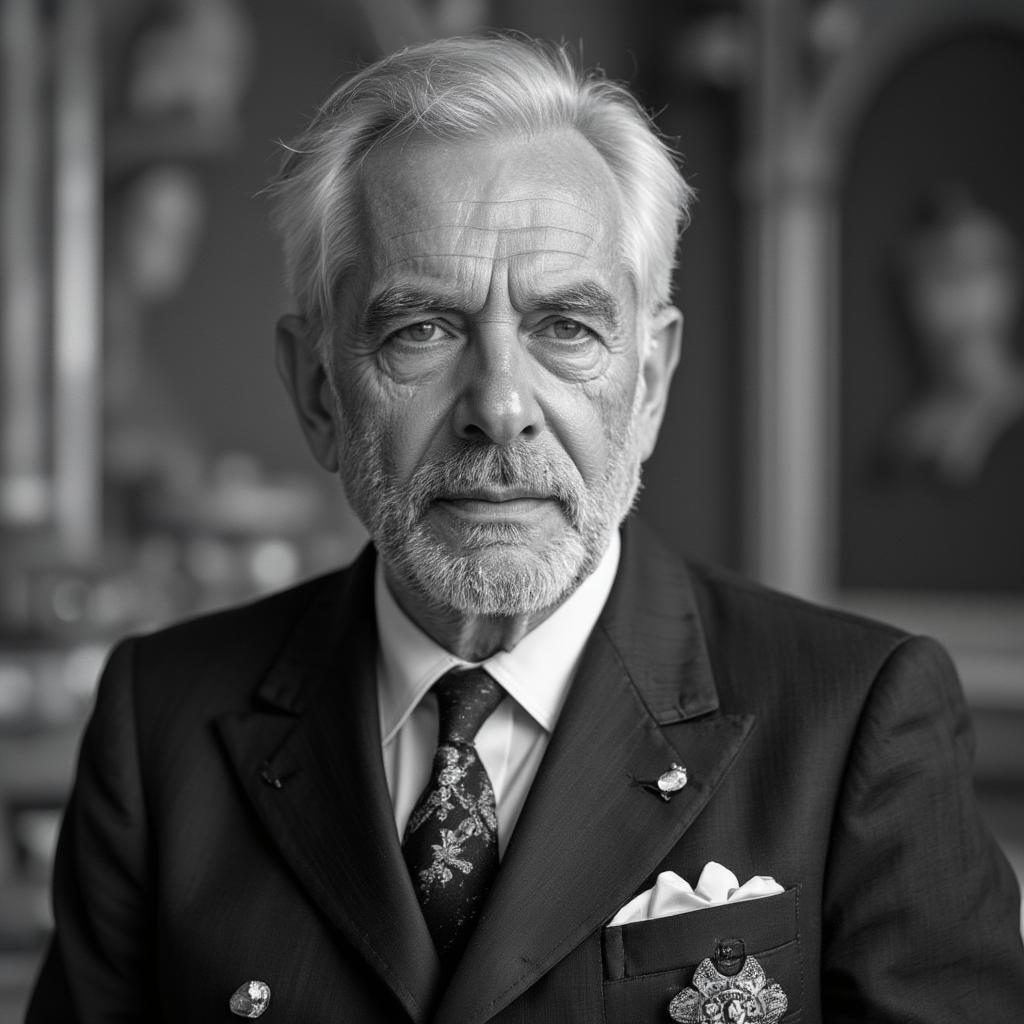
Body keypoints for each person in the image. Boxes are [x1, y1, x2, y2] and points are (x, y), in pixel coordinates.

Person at [27, 33, 1024, 1024]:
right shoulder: (162, 723)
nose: (499, 405)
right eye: (421, 327)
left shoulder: (854, 722)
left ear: (650, 378)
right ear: (318, 391)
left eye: (566, 327)